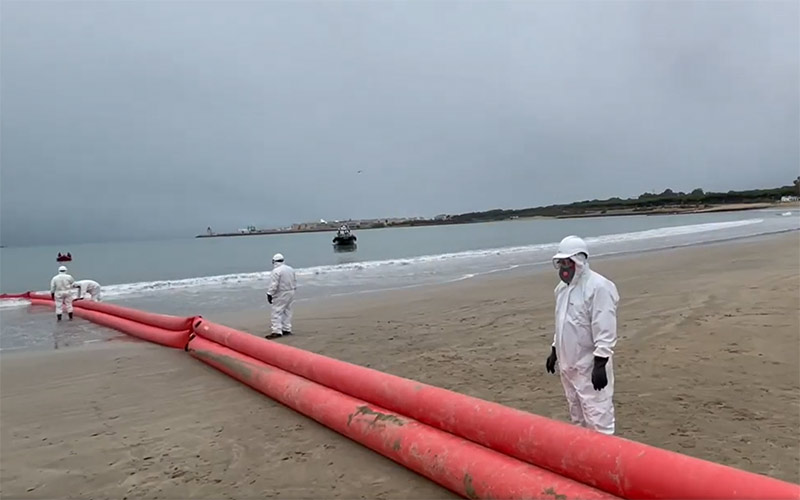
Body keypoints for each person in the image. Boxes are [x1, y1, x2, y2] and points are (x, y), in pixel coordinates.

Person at [545, 235, 620, 435]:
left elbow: (605, 327)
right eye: (561, 262)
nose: (565, 266)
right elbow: (563, 322)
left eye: (569, 261)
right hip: (568, 365)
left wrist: (600, 363)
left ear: (580, 260)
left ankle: (604, 460)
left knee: (598, 417)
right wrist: (554, 349)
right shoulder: (561, 290)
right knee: (577, 417)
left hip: (589, 366)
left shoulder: (599, 287)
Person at [265, 253, 296, 339]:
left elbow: (274, 284)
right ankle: (287, 329)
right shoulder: (290, 269)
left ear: (273, 261)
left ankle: (277, 331)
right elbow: (294, 280)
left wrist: (269, 293)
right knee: (287, 311)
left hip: (281, 292)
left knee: (277, 312)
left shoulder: (276, 271)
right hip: (291, 291)